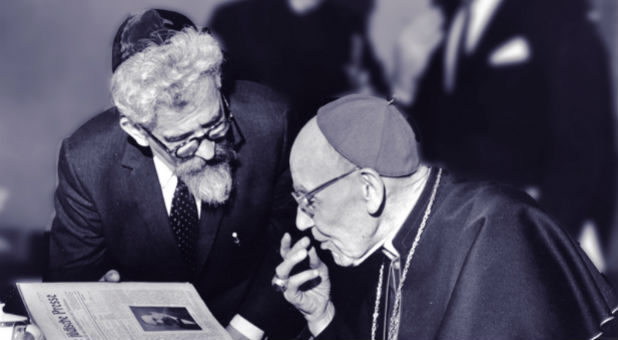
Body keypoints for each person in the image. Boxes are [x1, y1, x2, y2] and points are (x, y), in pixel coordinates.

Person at [45, 9, 302, 339]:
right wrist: (95, 303)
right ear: (136, 130)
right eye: (182, 142)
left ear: (219, 85)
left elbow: (292, 244)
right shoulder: (87, 161)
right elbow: (70, 284)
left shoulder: (272, 123)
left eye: (215, 125)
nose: (209, 152)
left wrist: (241, 332)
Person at [274, 94, 617, 339]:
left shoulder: (497, 231)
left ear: (370, 189)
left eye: (309, 200)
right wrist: (322, 316)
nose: (302, 223)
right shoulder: (392, 246)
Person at [405, 0, 617, 258]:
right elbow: (435, 135)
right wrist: (402, 81)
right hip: (466, 237)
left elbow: (582, 150)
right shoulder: (451, 22)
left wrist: (540, 245)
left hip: (536, 237)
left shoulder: (558, 14)